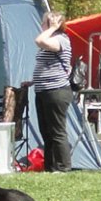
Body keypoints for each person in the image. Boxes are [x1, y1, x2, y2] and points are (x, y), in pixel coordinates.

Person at [32, 11, 73, 172]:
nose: (41, 26)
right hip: (43, 90)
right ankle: (50, 167)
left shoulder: (60, 39)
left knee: (57, 131)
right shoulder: (50, 41)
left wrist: (53, 27)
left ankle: (63, 167)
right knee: (46, 131)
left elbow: (39, 40)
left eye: (44, 23)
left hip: (56, 91)